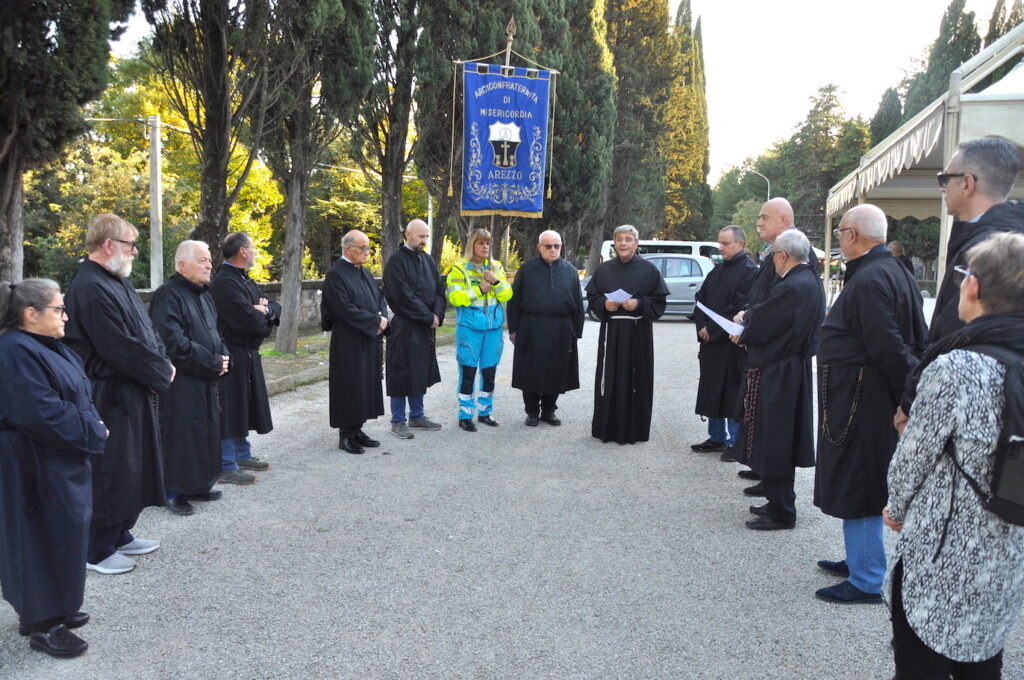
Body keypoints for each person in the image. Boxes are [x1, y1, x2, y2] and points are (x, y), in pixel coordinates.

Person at [883, 232, 1024, 678]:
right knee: (983, 657)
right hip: (1009, 539)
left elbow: (914, 456)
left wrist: (897, 507)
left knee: (920, 660)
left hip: (942, 545)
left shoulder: (957, 367)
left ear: (975, 287)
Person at [812, 205, 927, 603]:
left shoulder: (871, 279)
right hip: (864, 394)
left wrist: (907, 400)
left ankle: (865, 578)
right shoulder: (893, 270)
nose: (840, 240)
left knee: (860, 481)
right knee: (858, 478)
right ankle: (858, 557)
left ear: (853, 235)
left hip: (863, 398)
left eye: (841, 232)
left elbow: (890, 347)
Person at [0, 279, 106, 657]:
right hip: (32, 463)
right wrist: (92, 429)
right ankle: (43, 624)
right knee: (39, 537)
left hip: (57, 458)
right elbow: (39, 411)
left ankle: (55, 608)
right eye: (58, 309)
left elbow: (77, 391)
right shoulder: (14, 350)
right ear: (31, 314)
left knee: (64, 530)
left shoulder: (45, 345)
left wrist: (91, 424)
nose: (65, 315)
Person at [63, 214, 171, 575]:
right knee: (113, 469)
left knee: (134, 465)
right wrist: (159, 371)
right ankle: (96, 548)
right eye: (130, 245)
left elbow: (147, 331)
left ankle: (121, 532)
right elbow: (118, 347)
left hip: (132, 387)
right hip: (107, 393)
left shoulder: (116, 281)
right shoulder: (90, 286)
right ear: (109, 245)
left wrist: (162, 362)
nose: (135, 252)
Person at [897, 137, 1024, 436]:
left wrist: (911, 399)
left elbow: (953, 333)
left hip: (968, 399)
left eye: (945, 178)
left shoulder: (986, 248)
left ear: (967, 183)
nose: (942, 186)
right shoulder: (1001, 240)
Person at [731, 229, 823, 530]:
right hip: (787, 367)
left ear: (783, 256)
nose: (773, 263)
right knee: (775, 437)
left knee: (777, 438)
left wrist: (745, 331)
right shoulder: (807, 281)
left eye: (773, 257)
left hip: (780, 371)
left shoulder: (794, 285)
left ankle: (782, 510)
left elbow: (768, 323)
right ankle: (776, 500)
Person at [727, 197, 818, 477]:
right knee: (765, 424)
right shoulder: (787, 264)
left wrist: (748, 327)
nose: (758, 222)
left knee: (776, 429)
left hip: (780, 360)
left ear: (784, 220)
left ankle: (776, 492)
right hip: (771, 355)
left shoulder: (799, 269)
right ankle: (764, 472)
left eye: (765, 217)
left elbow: (779, 310)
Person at [150, 240, 231, 516]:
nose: (209, 265)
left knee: (204, 430)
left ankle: (198, 484)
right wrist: (211, 361)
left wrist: (223, 355)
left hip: (206, 377)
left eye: (209, 260)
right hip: (181, 380)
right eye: (202, 260)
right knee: (181, 433)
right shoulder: (168, 295)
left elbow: (215, 333)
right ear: (182, 265)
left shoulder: (204, 295)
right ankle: (174, 490)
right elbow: (172, 341)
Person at [585, 224, 668, 444]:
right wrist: (604, 304)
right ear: (614, 243)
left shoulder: (649, 270)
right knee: (609, 377)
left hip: (637, 333)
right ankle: (607, 427)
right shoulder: (604, 270)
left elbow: (660, 302)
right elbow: (592, 298)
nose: (623, 243)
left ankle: (635, 430)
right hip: (612, 333)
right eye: (619, 239)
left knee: (636, 378)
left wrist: (639, 303)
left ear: (636, 243)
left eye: (628, 239)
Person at [210, 232, 279, 484]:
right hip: (232, 351)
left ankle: (242, 453)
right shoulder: (225, 282)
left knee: (244, 403)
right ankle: (226, 464)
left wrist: (265, 311)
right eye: (253, 248)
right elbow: (248, 320)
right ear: (242, 251)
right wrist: (262, 315)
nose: (255, 253)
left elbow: (273, 307)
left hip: (247, 352)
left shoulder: (244, 279)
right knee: (230, 406)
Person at [690, 226, 757, 454]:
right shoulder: (717, 271)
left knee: (732, 393)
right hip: (711, 345)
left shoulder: (750, 272)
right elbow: (701, 300)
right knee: (712, 390)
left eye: (725, 244)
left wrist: (712, 330)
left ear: (740, 244)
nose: (721, 248)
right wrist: (701, 326)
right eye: (720, 243)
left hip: (731, 344)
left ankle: (734, 441)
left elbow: (739, 308)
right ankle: (716, 436)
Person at [507, 229, 584, 426]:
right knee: (531, 370)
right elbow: (514, 300)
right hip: (531, 326)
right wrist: (514, 329)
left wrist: (577, 330)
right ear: (539, 247)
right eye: (548, 246)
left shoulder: (570, 271)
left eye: (557, 246)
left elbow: (577, 301)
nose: (553, 249)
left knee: (556, 370)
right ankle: (532, 411)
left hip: (561, 328)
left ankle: (549, 410)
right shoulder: (527, 269)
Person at [321, 230, 389, 454]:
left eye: (368, 248)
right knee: (350, 385)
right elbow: (342, 309)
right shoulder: (336, 275)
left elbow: (379, 298)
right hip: (348, 341)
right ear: (348, 249)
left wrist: (382, 319)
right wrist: (373, 321)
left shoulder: (365, 272)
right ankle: (346, 434)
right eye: (363, 248)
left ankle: (358, 428)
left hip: (368, 337)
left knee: (365, 385)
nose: (367, 252)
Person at [382, 219, 447, 440]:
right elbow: (402, 296)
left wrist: (437, 314)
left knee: (419, 370)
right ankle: (398, 420)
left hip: (425, 327)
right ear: (407, 234)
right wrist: (428, 317)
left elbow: (440, 288)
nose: (424, 240)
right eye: (421, 236)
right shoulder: (395, 262)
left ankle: (417, 416)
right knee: (401, 372)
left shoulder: (428, 260)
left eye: (426, 236)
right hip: (404, 326)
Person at [446, 228, 512, 431]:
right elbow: (455, 298)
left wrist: (495, 282)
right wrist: (478, 290)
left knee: (489, 371)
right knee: (468, 371)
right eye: (480, 243)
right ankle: (465, 415)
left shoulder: (496, 267)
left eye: (488, 243)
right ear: (472, 245)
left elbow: (507, 295)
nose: (485, 247)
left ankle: (485, 412)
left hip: (493, 328)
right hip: (470, 328)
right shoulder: (459, 269)